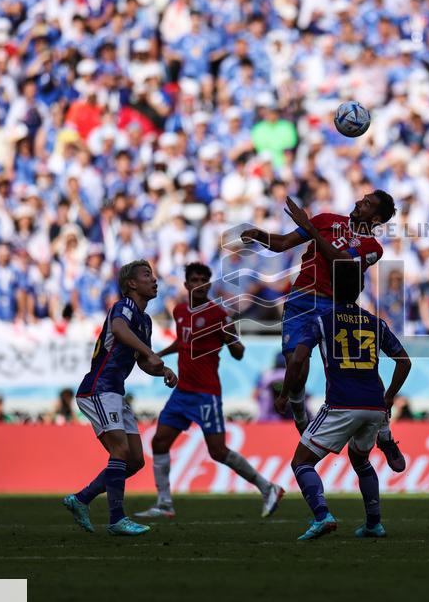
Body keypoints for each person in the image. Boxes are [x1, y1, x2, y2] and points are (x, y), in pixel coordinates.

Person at [240, 193, 406, 472]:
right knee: (295, 363)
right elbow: (282, 244)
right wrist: (258, 234)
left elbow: (339, 260)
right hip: (301, 300)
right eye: (361, 199)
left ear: (376, 219)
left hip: (336, 306)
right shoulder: (327, 219)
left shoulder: (373, 247)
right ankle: (297, 408)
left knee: (361, 371)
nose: (357, 203)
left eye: (366, 204)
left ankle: (385, 434)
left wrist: (311, 228)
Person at [136, 263, 284, 520]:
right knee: (159, 441)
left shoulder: (218, 314)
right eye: (195, 279)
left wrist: (230, 340)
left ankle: (267, 487)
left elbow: (239, 353)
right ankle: (164, 503)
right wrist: (157, 354)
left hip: (206, 393)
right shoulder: (179, 311)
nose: (200, 284)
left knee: (217, 451)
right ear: (186, 285)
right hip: (182, 392)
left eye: (204, 280)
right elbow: (183, 341)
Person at [276, 260, 411, 540]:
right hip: (375, 406)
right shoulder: (376, 323)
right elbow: (404, 362)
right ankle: (374, 523)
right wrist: (389, 396)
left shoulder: (321, 321)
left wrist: (285, 394)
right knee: (360, 459)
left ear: (332, 288)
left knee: (301, 462)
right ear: (361, 288)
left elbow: (299, 359)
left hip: (341, 404)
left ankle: (322, 515)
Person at [62, 260, 178, 537]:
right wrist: (148, 353)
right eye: (147, 275)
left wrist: (162, 368)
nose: (154, 279)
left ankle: (81, 499)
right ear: (132, 284)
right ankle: (116, 519)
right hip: (98, 388)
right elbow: (120, 331)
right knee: (121, 451)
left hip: (115, 391)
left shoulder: (146, 320)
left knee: (135, 460)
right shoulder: (123, 306)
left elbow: (143, 361)